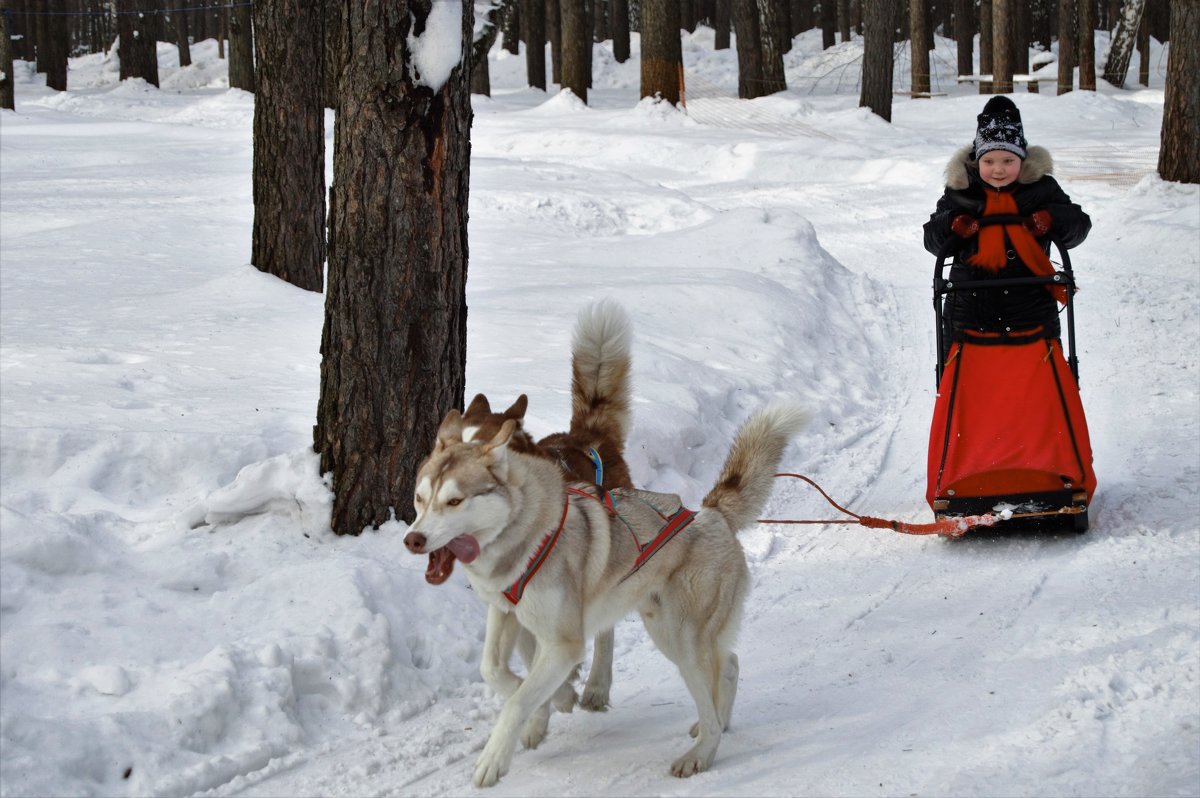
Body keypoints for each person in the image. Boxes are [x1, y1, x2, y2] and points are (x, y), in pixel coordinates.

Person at [923, 95, 1091, 360]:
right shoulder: (960, 193)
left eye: (1008, 161)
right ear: (977, 161)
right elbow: (932, 239)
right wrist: (953, 224)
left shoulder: (1042, 189)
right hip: (968, 316)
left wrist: (1051, 219)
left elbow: (1079, 226)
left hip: (1031, 312)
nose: (998, 170)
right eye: (989, 161)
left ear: (1022, 161)